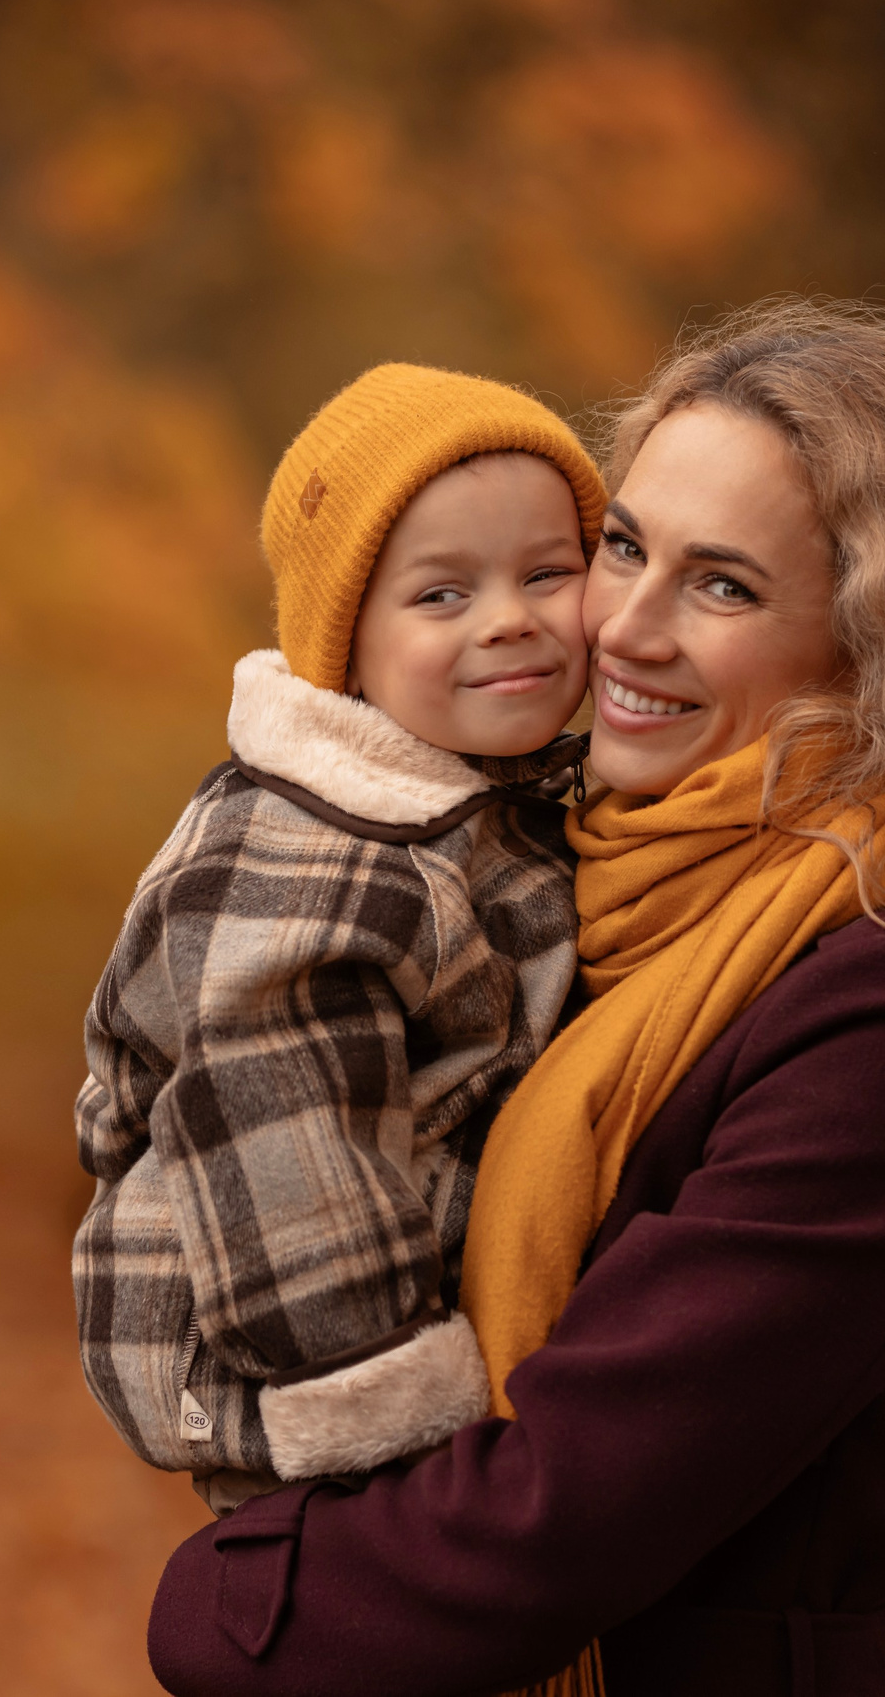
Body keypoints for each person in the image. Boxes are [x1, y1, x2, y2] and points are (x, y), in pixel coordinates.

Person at [146, 299, 885, 1695]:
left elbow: (555, 1516)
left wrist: (220, 1608)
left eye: (723, 586)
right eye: (623, 547)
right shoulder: (574, 898)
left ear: (878, 646)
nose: (624, 628)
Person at [75, 364, 609, 1513]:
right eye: (440, 595)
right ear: (345, 643)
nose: (507, 617)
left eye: (547, 573)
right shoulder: (307, 858)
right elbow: (285, 1160)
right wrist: (399, 1417)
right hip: (283, 1362)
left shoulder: (486, 801)